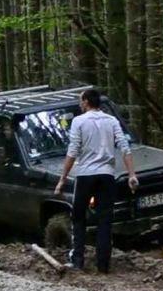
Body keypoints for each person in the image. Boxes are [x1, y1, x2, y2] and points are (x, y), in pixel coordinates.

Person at [54, 88, 138, 274]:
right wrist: (132, 174)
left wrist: (62, 179)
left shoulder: (79, 121)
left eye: (80, 101)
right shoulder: (112, 120)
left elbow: (72, 151)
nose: (79, 104)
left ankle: (78, 260)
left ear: (85, 102)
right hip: (107, 175)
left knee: (78, 217)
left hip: (85, 175)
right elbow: (125, 147)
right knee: (105, 220)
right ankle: (103, 264)